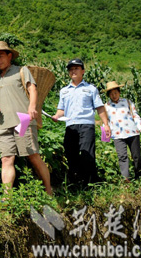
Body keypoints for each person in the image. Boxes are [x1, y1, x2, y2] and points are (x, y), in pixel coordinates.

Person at [0, 41, 52, 204]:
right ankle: (7, 197)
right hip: (3, 124)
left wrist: (32, 107)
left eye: (1, 56)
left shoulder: (21, 71)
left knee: (32, 155)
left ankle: (49, 190)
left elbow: (32, 89)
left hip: (22, 120)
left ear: (9, 56)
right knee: (6, 159)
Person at [52, 58, 111, 187]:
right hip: (70, 125)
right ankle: (77, 182)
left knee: (87, 153)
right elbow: (61, 110)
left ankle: (92, 183)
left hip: (86, 125)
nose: (73, 71)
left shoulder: (91, 89)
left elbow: (100, 107)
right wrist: (56, 116)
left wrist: (105, 124)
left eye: (76, 68)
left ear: (82, 71)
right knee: (70, 153)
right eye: (71, 69)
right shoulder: (64, 91)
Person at [103, 81, 141, 182]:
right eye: (111, 93)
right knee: (122, 156)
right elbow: (106, 121)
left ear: (119, 92)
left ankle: (140, 177)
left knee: (136, 156)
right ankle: (125, 178)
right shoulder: (106, 106)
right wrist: (105, 136)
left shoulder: (127, 102)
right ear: (108, 94)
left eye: (116, 93)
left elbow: (135, 115)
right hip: (118, 135)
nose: (114, 95)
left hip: (132, 132)